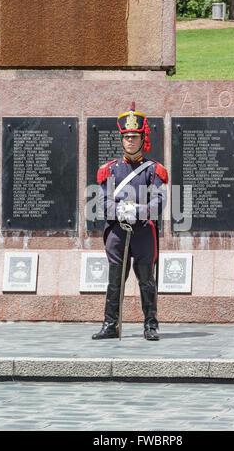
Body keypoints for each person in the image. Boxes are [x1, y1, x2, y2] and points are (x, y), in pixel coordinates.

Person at [92, 102, 168, 341]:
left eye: (135, 137)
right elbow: (102, 202)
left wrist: (139, 210)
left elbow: (159, 202)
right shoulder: (110, 170)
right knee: (115, 280)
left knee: (146, 280)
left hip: (144, 231)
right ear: (121, 140)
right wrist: (118, 210)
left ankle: (151, 325)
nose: (131, 141)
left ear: (142, 138)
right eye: (127, 138)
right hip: (118, 231)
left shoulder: (153, 170)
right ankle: (110, 324)